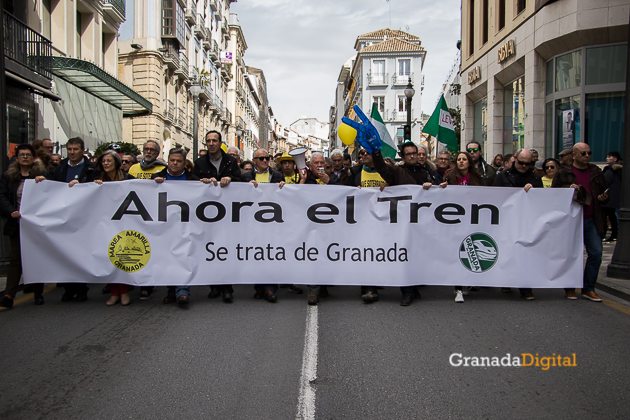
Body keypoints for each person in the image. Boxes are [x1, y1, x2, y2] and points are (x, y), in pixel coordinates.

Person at [372, 141, 433, 306]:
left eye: (415, 153)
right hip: (404, 222)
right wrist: (376, 152)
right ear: (403, 157)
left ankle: (414, 287)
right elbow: (382, 169)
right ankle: (406, 291)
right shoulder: (398, 171)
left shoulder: (426, 171)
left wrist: (432, 187)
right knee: (405, 254)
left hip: (421, 221)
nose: (414, 156)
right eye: (409, 154)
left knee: (417, 254)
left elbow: (439, 189)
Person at [552, 143, 608, 302]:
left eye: (589, 153)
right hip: (572, 221)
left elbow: (605, 191)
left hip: (592, 219)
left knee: (596, 253)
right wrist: (567, 188)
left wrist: (604, 198)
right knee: (570, 255)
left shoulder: (596, 171)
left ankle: (588, 288)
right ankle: (569, 287)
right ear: (574, 155)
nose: (587, 156)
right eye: (583, 153)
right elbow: (554, 194)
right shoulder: (564, 172)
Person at [194, 130, 242, 302]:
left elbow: (240, 181)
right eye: (208, 141)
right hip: (207, 214)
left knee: (225, 250)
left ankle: (227, 289)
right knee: (209, 250)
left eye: (214, 140)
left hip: (228, 214)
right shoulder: (199, 162)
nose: (211, 143)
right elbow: (192, 183)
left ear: (220, 142)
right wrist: (202, 183)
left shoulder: (230, 161)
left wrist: (230, 178)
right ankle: (214, 286)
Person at [0, 144, 49, 309]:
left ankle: (38, 292)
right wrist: (11, 211)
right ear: (16, 157)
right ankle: (8, 295)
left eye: (28, 154)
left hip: (36, 225)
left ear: (33, 157)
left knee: (36, 258)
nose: (25, 157)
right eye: (22, 154)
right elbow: (2, 196)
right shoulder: (8, 177)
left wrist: (45, 183)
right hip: (17, 224)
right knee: (15, 260)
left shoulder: (43, 175)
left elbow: (54, 195)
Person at [52, 137, 98, 302]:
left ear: (82, 150)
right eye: (69, 149)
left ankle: (81, 289)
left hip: (84, 217)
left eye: (75, 149)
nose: (72, 152)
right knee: (66, 253)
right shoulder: (60, 168)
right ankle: (68, 288)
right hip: (64, 216)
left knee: (81, 254)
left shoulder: (91, 169)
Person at [493, 149, 542, 300]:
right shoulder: (502, 176)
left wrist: (533, 192)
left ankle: (525, 288)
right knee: (507, 251)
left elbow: (542, 199)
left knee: (525, 253)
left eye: (528, 164)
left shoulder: (535, 177)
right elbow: (493, 195)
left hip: (526, 221)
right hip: (506, 220)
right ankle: (507, 279)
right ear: (514, 159)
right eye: (521, 162)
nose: (524, 166)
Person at [153, 148, 200, 306]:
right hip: (164, 226)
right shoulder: (157, 177)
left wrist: (206, 184)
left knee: (183, 257)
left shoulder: (193, 179)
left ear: (184, 163)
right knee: (168, 258)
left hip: (186, 225)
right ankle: (172, 291)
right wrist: (155, 184)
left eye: (178, 161)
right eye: (172, 160)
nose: (174, 163)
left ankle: (183, 291)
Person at [438, 152, 483, 303]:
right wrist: (443, 187)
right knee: (457, 251)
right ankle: (458, 288)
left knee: (470, 249)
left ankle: (468, 281)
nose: (461, 162)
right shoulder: (450, 177)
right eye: (459, 159)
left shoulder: (477, 178)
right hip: (455, 219)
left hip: (472, 218)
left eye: (464, 159)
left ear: (469, 162)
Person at [242, 148, 285, 302]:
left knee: (271, 254)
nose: (265, 161)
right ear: (254, 160)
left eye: (267, 158)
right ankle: (259, 287)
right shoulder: (246, 176)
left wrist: (283, 186)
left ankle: (270, 288)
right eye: (261, 158)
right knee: (256, 255)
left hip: (272, 222)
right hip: (253, 224)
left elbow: (284, 196)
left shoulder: (277, 176)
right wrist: (247, 187)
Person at [126, 140, 167, 301]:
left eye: (152, 150)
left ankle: (147, 285)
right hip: (135, 214)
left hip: (155, 214)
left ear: (157, 153)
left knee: (151, 251)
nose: (148, 152)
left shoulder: (162, 169)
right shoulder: (133, 168)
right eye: (146, 149)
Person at [94, 151, 135, 306]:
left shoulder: (128, 179)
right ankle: (114, 293)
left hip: (124, 223)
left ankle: (124, 292)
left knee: (121, 258)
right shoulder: (97, 179)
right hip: (104, 224)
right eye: (103, 161)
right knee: (108, 258)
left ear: (116, 163)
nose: (106, 163)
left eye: (109, 160)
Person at [602, 151, 622, 242]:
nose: (607, 158)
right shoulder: (619, 170)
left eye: (610, 157)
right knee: (613, 216)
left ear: (615, 159)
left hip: (609, 197)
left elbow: (605, 182)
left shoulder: (610, 169)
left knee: (607, 216)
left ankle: (604, 234)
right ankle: (615, 234)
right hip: (616, 197)